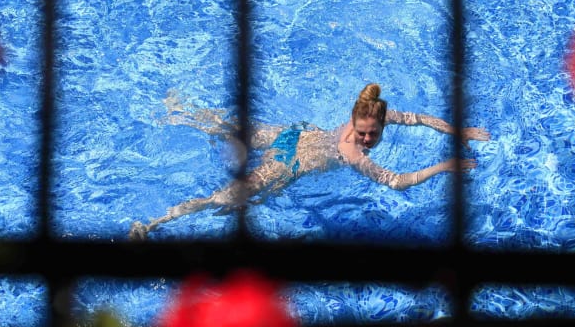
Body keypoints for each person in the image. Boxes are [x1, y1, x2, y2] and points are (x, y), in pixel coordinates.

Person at [128, 83, 490, 240]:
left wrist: (460, 131)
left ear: (380, 120)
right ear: (356, 122)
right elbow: (396, 181)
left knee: (229, 128)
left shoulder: (376, 113)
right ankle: (154, 223)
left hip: (297, 133)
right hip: (288, 161)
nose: (366, 139)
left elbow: (421, 118)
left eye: (372, 134)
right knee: (230, 197)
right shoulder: (353, 153)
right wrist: (445, 166)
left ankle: (178, 110)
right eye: (362, 133)